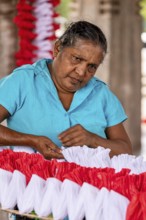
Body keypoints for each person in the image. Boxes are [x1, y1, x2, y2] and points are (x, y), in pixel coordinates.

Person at [0, 20, 132, 159]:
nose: (81, 72)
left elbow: (126, 150)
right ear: (57, 49)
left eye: (91, 66)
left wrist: (93, 140)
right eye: (76, 58)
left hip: (88, 180)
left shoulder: (101, 94)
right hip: (28, 178)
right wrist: (31, 140)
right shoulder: (23, 80)